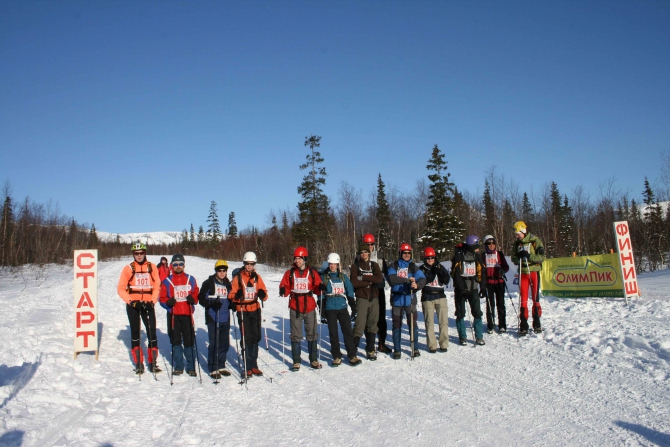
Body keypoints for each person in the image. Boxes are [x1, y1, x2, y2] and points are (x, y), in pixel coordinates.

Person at [116, 242, 162, 374]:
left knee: (151, 333)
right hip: (134, 305)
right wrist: (131, 302)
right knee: (135, 333)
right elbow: (120, 289)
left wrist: (152, 301)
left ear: (145, 253)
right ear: (133, 254)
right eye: (137, 253)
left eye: (141, 253)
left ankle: (153, 362)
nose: (139, 255)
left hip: (148, 304)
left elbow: (157, 286)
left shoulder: (152, 267)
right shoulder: (128, 269)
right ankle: (138, 363)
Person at [279, 246, 323, 371]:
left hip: (309, 306)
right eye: (296, 258)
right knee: (295, 335)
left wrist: (320, 288)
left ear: (304, 259)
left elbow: (316, 287)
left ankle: (313, 359)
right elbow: (285, 286)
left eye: (299, 258)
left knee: (312, 333)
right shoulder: (290, 273)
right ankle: (296, 361)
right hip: (295, 306)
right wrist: (283, 289)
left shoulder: (312, 273)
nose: (297, 261)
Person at [229, 252, 269, 379]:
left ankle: (254, 365)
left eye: (251, 264)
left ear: (254, 264)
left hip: (255, 309)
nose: (249, 266)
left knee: (256, 337)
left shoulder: (257, 278)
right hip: (243, 309)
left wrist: (263, 294)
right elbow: (231, 295)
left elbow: (265, 292)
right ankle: (247, 366)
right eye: (247, 264)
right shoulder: (238, 278)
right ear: (244, 264)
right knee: (246, 338)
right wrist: (236, 295)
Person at [159, 254, 200, 377]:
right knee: (176, 341)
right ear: (172, 266)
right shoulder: (167, 281)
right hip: (173, 316)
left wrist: (193, 299)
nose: (178, 266)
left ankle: (191, 366)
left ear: (184, 265)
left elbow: (196, 292)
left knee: (189, 341)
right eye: (175, 264)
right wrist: (168, 302)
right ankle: (178, 366)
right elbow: (161, 298)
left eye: (180, 264)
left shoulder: (190, 279)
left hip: (187, 315)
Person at [320, 253, 361, 367]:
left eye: (334, 264)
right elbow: (320, 295)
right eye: (330, 264)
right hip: (330, 308)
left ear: (338, 264)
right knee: (333, 333)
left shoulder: (343, 277)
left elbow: (350, 291)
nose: (332, 266)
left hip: (342, 307)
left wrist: (353, 307)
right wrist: (322, 311)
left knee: (347, 331)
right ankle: (336, 356)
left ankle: (352, 355)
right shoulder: (324, 277)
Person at [387, 243, 426, 359]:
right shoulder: (393, 265)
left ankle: (415, 348)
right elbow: (392, 279)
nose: (407, 255)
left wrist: (416, 285)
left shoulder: (413, 267)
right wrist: (407, 280)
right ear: (400, 253)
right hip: (397, 299)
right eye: (405, 253)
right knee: (397, 325)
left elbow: (422, 278)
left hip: (410, 299)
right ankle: (397, 350)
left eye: (409, 253)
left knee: (413, 325)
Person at [198, 260, 233, 379]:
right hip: (213, 317)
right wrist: (211, 303)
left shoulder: (228, 284)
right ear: (216, 271)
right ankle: (213, 367)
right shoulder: (208, 283)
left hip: (225, 317)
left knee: (224, 343)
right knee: (214, 343)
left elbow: (231, 297)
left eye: (224, 271)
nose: (222, 273)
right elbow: (201, 299)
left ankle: (221, 364)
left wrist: (233, 304)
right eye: (220, 270)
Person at [350, 243, 384, 361]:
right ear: (359, 254)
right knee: (359, 324)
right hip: (362, 298)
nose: (364, 254)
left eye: (366, 252)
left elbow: (379, 279)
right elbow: (354, 282)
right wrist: (369, 281)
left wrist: (364, 278)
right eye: (361, 252)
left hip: (374, 297)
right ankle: (353, 351)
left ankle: (370, 349)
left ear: (369, 253)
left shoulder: (374, 265)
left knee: (372, 324)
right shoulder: (355, 266)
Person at [510, 221, 546, 335]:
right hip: (523, 273)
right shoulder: (517, 244)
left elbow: (542, 257)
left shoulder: (535, 241)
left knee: (535, 298)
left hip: (533, 271)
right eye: (515, 234)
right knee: (523, 300)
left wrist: (529, 256)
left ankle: (537, 323)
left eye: (518, 234)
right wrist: (518, 258)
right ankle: (523, 325)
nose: (516, 236)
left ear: (523, 232)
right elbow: (513, 258)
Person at [451, 235, 487, 346]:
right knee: (460, 313)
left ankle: (479, 336)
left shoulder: (477, 257)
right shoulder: (459, 256)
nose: (478, 248)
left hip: (473, 288)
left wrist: (483, 287)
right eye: (476, 246)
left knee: (477, 312)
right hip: (460, 289)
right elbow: (455, 274)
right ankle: (462, 336)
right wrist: (462, 289)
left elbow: (482, 272)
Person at [360, 233, 391, 353]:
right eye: (367, 244)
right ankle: (370, 345)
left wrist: (394, 283)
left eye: (371, 244)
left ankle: (382, 343)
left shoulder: (380, 256)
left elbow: (387, 272)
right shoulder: (360, 257)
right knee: (369, 319)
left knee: (381, 318)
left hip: (379, 289)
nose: (369, 247)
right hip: (366, 291)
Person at [419, 247, 451, 353]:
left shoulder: (440, 266)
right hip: (428, 296)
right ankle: (432, 345)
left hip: (440, 296)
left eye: (432, 258)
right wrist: (432, 273)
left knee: (443, 322)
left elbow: (446, 280)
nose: (430, 260)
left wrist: (440, 272)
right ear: (425, 258)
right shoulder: (422, 269)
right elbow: (423, 280)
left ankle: (444, 343)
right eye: (428, 258)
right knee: (429, 322)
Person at [482, 235, 510, 334]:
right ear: (485, 245)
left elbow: (506, 267)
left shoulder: (499, 254)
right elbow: (480, 269)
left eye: (493, 243)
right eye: (489, 243)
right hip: (488, 282)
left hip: (499, 282)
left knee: (501, 304)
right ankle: (490, 325)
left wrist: (502, 271)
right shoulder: (483, 255)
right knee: (490, 305)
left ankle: (502, 325)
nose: (491, 245)